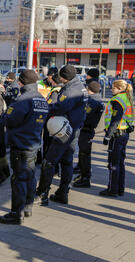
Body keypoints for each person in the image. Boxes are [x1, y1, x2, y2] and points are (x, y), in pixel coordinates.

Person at [0, 70, 49, 224]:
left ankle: (16, 213)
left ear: (21, 82)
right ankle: (27, 207)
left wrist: (4, 115)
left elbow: (9, 119)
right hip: (33, 143)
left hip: (20, 144)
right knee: (30, 176)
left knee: (19, 178)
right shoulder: (41, 99)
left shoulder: (22, 100)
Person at [35, 64, 87, 206]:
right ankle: (63, 192)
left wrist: (44, 108)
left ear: (64, 78)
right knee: (67, 161)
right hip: (75, 128)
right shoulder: (80, 86)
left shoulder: (70, 90)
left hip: (65, 130)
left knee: (49, 161)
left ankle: (42, 193)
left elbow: (59, 107)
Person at [99, 80, 135, 197]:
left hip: (116, 135)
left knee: (113, 163)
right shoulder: (126, 98)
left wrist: (108, 136)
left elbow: (115, 120)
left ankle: (112, 189)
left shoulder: (118, 100)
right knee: (120, 163)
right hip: (124, 134)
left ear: (120, 89)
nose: (111, 89)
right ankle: (120, 188)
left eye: (113, 88)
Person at [72, 81, 104, 188]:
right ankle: (83, 175)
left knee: (84, 155)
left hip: (87, 130)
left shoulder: (93, 101)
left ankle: (85, 178)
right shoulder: (98, 99)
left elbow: (85, 114)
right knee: (83, 154)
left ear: (88, 89)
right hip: (88, 130)